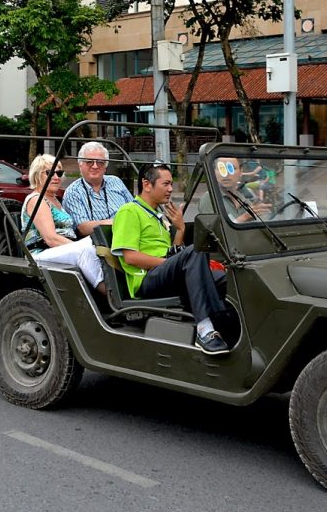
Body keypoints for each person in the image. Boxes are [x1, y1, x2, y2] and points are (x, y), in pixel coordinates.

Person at [111, 163, 231, 355]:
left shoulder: (158, 215)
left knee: (222, 275)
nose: (170, 189)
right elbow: (131, 257)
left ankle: (227, 324)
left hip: (163, 273)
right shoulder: (129, 211)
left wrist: (180, 228)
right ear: (147, 184)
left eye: (171, 185)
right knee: (196, 250)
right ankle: (204, 328)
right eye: (166, 184)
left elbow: (171, 252)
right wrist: (169, 264)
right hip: (146, 280)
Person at [20, 155, 106, 295]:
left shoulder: (56, 200)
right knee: (85, 250)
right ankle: (111, 297)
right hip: (40, 253)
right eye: (49, 172)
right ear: (37, 175)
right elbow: (51, 238)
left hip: (61, 250)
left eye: (59, 173)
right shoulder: (36, 199)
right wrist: (81, 246)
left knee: (103, 246)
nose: (56, 177)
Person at [61, 141, 134, 239]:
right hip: (97, 245)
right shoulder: (73, 192)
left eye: (100, 162)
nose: (95, 166)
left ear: (105, 166)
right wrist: (118, 222)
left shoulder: (116, 182)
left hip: (130, 237)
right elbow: (83, 228)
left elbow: (135, 209)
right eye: (89, 162)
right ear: (80, 165)